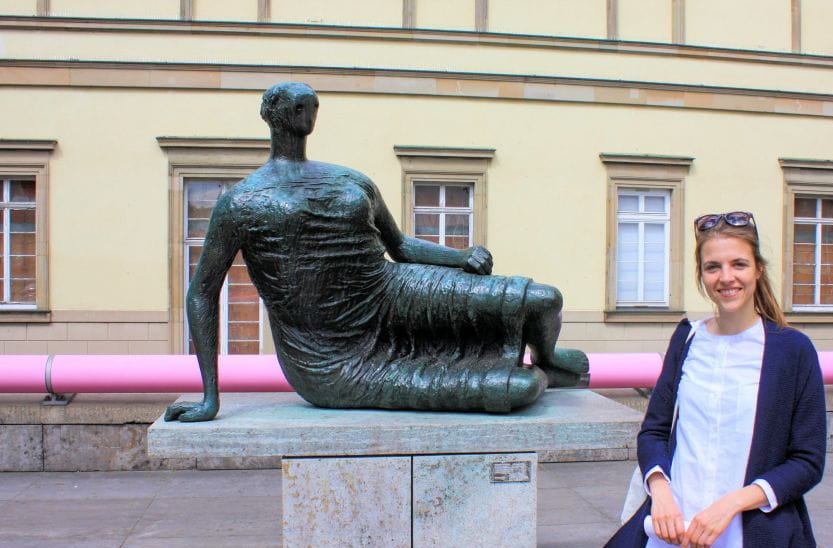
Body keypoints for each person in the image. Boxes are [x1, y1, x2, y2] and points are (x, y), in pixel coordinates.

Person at [165, 82, 587, 422]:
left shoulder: (350, 180)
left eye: (311, 104)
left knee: (543, 300)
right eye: (295, 105)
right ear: (272, 115)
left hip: (387, 289)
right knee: (512, 390)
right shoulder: (240, 202)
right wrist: (210, 398)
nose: (306, 109)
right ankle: (532, 374)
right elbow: (202, 292)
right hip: (329, 356)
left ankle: (547, 359)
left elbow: (399, 245)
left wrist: (458, 258)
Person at [605, 211, 827, 548]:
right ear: (701, 274)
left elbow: (807, 461)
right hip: (678, 530)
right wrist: (661, 492)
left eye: (738, 264)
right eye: (713, 266)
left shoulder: (792, 350)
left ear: (758, 269)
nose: (727, 277)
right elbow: (654, 429)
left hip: (749, 535)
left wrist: (729, 505)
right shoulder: (687, 338)